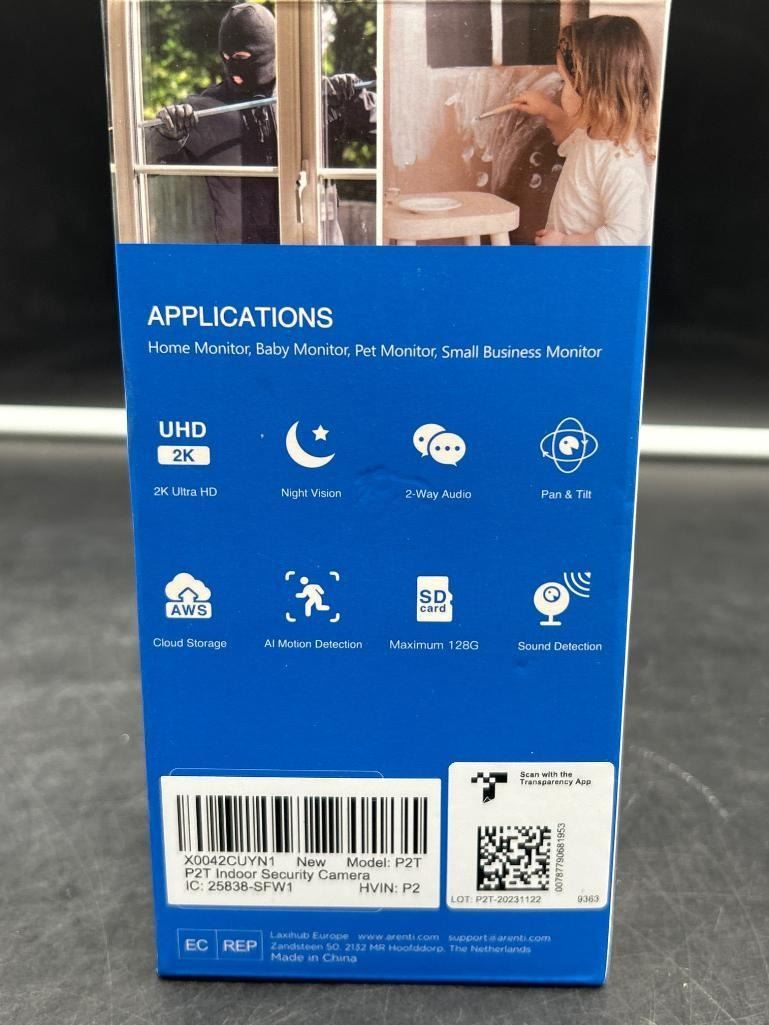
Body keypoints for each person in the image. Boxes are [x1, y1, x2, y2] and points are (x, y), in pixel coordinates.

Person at [148, 2, 375, 243]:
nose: (233, 66)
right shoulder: (206, 109)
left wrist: (355, 100)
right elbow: (147, 161)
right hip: (245, 258)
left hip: (315, 249)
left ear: (269, 50)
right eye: (226, 57)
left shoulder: (314, 96)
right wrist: (168, 135)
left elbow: (388, 135)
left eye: (242, 57)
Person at [508, 15, 658, 246]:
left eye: (564, 82)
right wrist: (547, 110)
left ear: (594, 91)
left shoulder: (619, 162)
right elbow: (571, 140)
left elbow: (623, 236)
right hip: (570, 257)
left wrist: (563, 242)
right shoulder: (593, 134)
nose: (560, 91)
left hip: (585, 263)